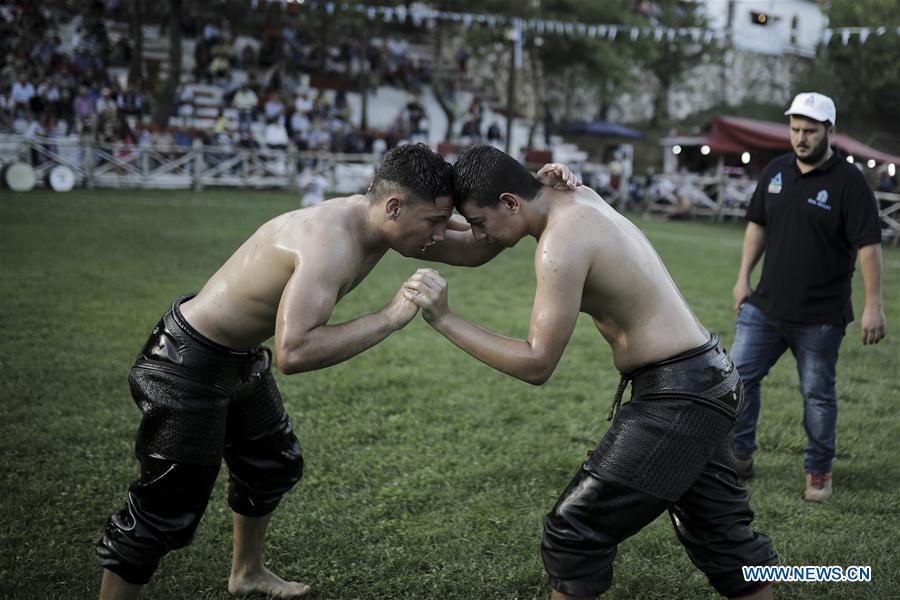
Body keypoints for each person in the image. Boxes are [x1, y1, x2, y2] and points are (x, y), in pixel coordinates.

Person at [96, 143, 571, 600]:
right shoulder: (326, 242)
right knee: (167, 505)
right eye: (434, 222)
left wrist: (533, 193)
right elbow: (295, 350)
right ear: (393, 207)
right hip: (188, 362)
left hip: (236, 357)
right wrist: (388, 317)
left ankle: (246, 573)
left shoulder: (388, 225)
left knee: (270, 467)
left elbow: (478, 246)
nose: (439, 234)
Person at [403, 145, 777, 600]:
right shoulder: (581, 198)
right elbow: (477, 239)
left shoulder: (560, 243)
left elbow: (536, 363)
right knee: (727, 546)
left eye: (479, 222)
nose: (477, 234)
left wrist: (445, 319)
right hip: (707, 379)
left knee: (573, 530)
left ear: (510, 202)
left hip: (680, 394)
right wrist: (389, 227)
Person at [729, 92, 885, 501]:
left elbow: (869, 246)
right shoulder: (777, 171)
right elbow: (757, 225)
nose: (800, 138)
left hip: (820, 315)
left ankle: (818, 471)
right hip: (764, 306)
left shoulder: (850, 183)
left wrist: (873, 306)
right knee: (738, 381)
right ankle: (739, 457)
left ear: (830, 132)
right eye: (795, 129)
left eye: (810, 131)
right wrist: (743, 277)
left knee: (817, 394)